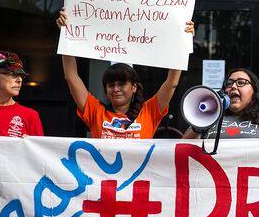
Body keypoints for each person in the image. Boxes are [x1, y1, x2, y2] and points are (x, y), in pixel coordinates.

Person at [57, 9, 193, 139]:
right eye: (111, 85)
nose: (116, 89)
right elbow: (71, 76)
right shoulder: (95, 111)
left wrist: (183, 41)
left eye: (122, 84)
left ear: (134, 87)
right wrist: (66, 34)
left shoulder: (149, 112)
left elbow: (171, 83)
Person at [184, 68, 259, 139]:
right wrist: (198, 126)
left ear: (254, 90)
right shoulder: (210, 116)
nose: (233, 87)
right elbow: (182, 150)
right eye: (229, 83)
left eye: (241, 82)